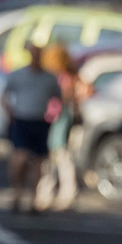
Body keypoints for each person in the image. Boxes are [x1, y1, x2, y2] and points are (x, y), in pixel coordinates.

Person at [1, 42, 62, 213]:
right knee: (19, 158)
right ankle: (17, 192)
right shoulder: (18, 75)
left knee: (38, 163)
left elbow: (58, 98)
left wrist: (53, 117)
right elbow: (4, 95)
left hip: (40, 121)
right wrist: (9, 113)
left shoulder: (49, 78)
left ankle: (34, 199)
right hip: (22, 120)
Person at [34, 43, 83, 212]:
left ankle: (58, 194)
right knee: (57, 160)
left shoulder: (59, 78)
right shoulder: (67, 76)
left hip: (55, 120)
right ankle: (57, 194)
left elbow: (58, 101)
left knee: (57, 158)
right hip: (56, 119)